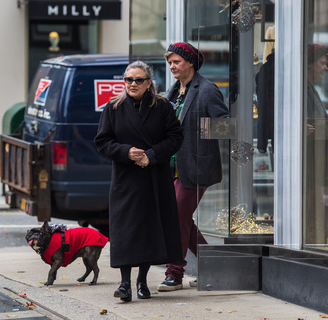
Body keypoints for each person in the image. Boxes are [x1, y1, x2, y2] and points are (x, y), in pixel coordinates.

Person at [95, 60, 184, 302]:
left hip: (154, 178)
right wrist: (125, 152)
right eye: (128, 79)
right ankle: (124, 284)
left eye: (138, 80)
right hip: (126, 179)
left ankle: (142, 281)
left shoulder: (163, 106)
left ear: (148, 83)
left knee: (148, 230)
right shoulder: (113, 107)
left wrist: (152, 156)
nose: (132, 84)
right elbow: (102, 141)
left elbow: (176, 137)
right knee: (125, 231)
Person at [157, 42, 229, 292]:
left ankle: (174, 273)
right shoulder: (174, 89)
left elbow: (226, 126)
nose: (172, 66)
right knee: (181, 218)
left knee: (176, 219)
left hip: (196, 167)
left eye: (176, 61)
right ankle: (216, 267)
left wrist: (197, 133)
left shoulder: (207, 89)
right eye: (169, 62)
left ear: (190, 62)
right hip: (172, 167)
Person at [305, 43, 328, 244]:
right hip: (309, 165)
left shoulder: (310, 89)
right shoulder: (302, 91)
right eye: (322, 63)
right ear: (310, 64)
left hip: (315, 164)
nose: (326, 68)